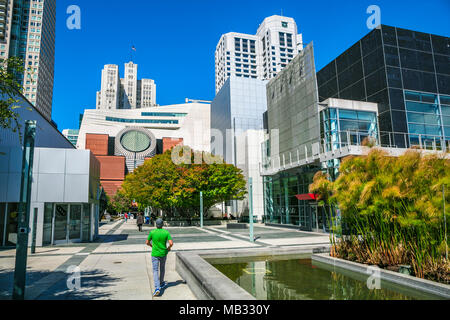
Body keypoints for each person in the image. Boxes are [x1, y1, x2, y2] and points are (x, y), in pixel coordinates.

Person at [146, 218, 173, 297]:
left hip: (155, 253)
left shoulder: (152, 232)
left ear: (156, 224)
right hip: (163, 253)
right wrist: (168, 249)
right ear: (162, 224)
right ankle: (161, 283)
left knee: (155, 270)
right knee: (162, 268)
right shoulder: (166, 232)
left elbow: (147, 242)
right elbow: (171, 243)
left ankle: (157, 288)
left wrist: (152, 246)